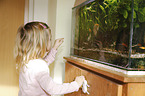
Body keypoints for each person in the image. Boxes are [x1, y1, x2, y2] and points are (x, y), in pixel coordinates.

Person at [14, 21, 85, 96]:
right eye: (50, 39)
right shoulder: (39, 67)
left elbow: (44, 62)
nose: (51, 41)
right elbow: (53, 89)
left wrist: (54, 48)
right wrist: (76, 84)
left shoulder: (27, 61)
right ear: (42, 43)